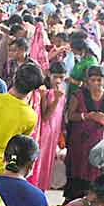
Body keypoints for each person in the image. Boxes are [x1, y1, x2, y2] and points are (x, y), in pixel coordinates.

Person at [64, 65, 104, 201]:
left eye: (99, 80)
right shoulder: (79, 95)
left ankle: (92, 200)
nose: (96, 83)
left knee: (96, 171)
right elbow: (70, 116)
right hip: (79, 141)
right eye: (93, 80)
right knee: (78, 171)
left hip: (99, 143)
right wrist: (89, 116)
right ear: (87, 81)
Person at [28, 62, 67, 191]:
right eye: (56, 76)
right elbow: (45, 116)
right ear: (49, 74)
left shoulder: (61, 91)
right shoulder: (46, 92)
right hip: (44, 133)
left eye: (61, 77)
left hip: (53, 134)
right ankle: (35, 189)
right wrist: (55, 99)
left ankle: (41, 191)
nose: (58, 80)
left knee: (47, 163)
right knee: (40, 162)